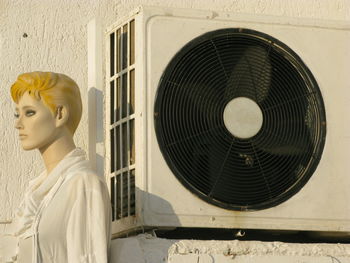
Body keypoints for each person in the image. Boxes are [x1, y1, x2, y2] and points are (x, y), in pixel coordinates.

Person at [2, 71, 111, 262]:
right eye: (17, 114)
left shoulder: (83, 184)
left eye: (29, 113)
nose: (18, 124)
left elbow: (87, 257)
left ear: (59, 114)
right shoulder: (35, 192)